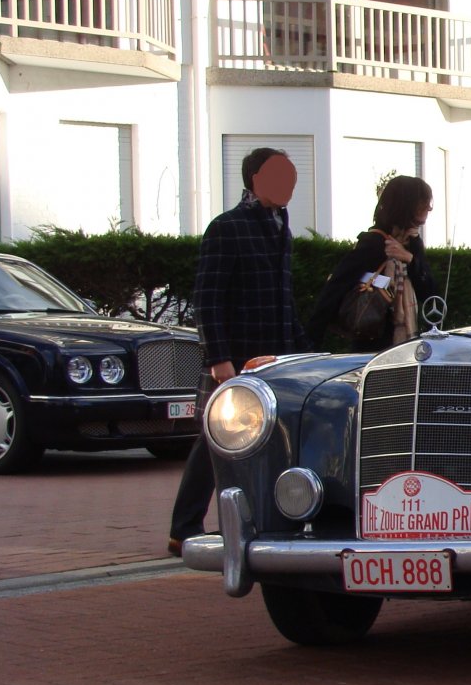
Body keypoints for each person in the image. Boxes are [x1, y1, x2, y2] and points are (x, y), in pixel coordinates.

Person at [167, 148, 308, 556]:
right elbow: (207, 297)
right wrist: (217, 357)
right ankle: (183, 528)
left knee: (268, 438)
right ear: (255, 179)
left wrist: (302, 350)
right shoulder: (226, 227)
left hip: (273, 354)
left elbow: (283, 295)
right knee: (215, 439)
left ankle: (267, 519)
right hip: (235, 355)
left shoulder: (280, 225)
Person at [306, 175, 438, 352]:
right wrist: (311, 343)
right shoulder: (375, 243)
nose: (426, 214)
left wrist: (409, 259)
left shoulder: (413, 243)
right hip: (371, 343)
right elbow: (335, 288)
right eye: (422, 207)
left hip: (406, 346)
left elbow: (431, 293)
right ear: (407, 207)